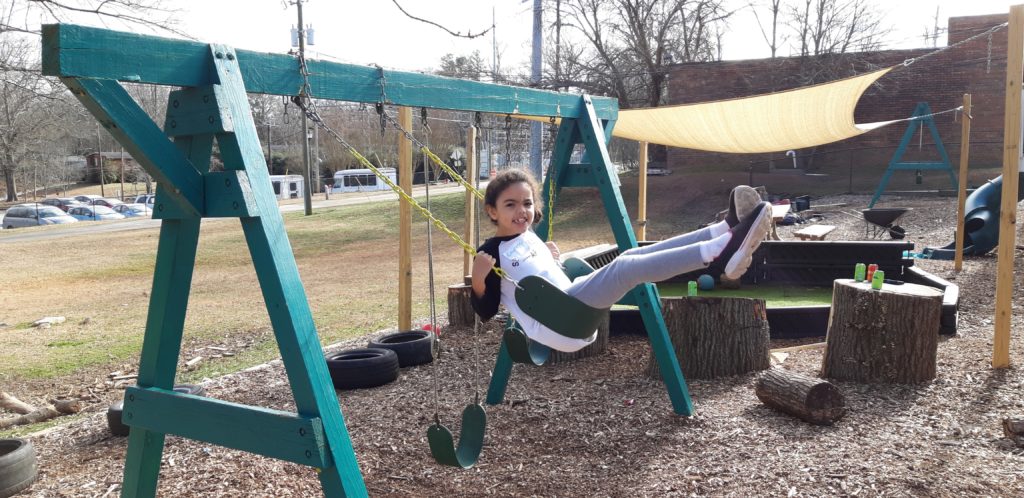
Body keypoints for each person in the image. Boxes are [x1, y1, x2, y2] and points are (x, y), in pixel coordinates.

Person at [471, 168, 772, 353]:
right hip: (560, 321)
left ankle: (721, 230)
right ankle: (721, 252)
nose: (521, 211)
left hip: (570, 300)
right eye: (510, 205)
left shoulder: (528, 235)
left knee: (628, 256)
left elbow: (540, 279)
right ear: (492, 211)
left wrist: (555, 261)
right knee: (626, 269)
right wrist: (479, 279)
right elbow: (485, 310)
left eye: (526, 203)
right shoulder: (492, 251)